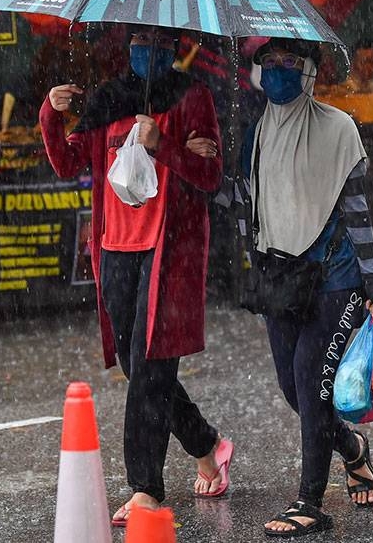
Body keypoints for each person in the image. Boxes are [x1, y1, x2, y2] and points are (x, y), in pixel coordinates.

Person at [40, 27, 232, 525]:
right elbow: (68, 162)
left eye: (158, 42)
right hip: (115, 251)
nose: (147, 50)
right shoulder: (109, 99)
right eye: (139, 40)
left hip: (170, 254)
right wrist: (51, 114)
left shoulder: (192, 98)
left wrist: (163, 144)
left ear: (174, 47)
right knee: (137, 363)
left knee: (150, 364)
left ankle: (145, 487)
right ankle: (206, 442)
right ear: (127, 46)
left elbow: (210, 176)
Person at [200, 37, 373, 537]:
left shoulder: (339, 129)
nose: (278, 70)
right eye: (269, 62)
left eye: (290, 62)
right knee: (294, 389)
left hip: (335, 278)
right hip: (281, 280)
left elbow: (357, 211)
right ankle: (352, 448)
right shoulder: (257, 134)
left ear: (309, 72)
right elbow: (244, 203)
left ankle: (309, 501)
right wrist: (194, 165)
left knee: (309, 376)